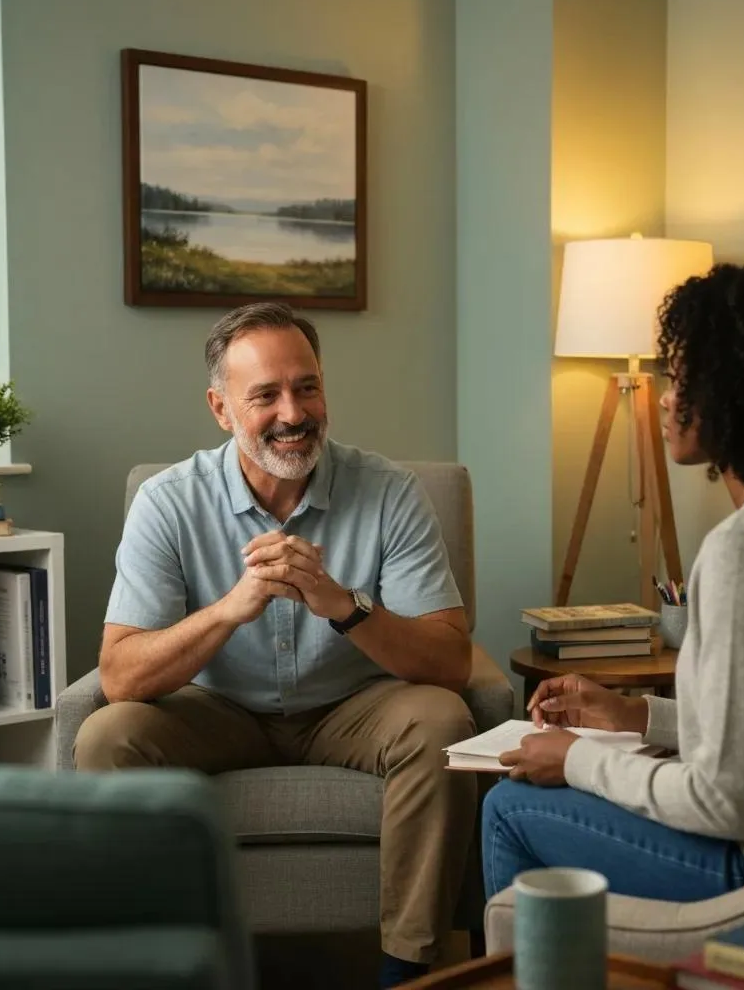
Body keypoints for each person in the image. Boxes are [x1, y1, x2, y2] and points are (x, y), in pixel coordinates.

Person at [75, 301, 478, 988]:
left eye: (307, 386)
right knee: (107, 739)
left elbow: (449, 660)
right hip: (217, 710)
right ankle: (158, 964)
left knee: (443, 722)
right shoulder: (168, 502)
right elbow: (120, 675)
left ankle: (407, 968)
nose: (293, 413)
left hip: (352, 705)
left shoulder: (390, 493)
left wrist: (341, 603)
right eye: (264, 395)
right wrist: (229, 610)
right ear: (221, 408)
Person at [482, 252, 744, 903]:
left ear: (740, 391)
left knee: (506, 807)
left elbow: (726, 803)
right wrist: (634, 715)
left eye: (682, 375)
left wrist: (577, 760)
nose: (666, 396)